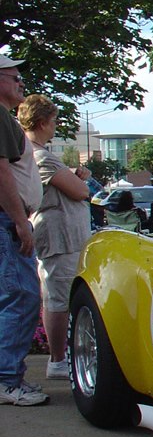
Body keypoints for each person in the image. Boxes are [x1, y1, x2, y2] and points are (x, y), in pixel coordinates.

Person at [18, 94, 93, 380]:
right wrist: (76, 178)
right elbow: (80, 191)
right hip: (59, 240)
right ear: (41, 122)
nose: (56, 126)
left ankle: (60, 358)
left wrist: (72, 172)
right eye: (53, 121)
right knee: (58, 298)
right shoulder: (38, 155)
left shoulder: (37, 154)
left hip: (66, 238)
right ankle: (58, 360)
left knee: (60, 295)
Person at [0, 55, 48, 406]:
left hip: (8, 219)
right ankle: (6, 381)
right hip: (7, 220)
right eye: (14, 77)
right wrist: (20, 221)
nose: (21, 83)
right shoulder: (1, 117)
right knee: (21, 296)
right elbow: (2, 173)